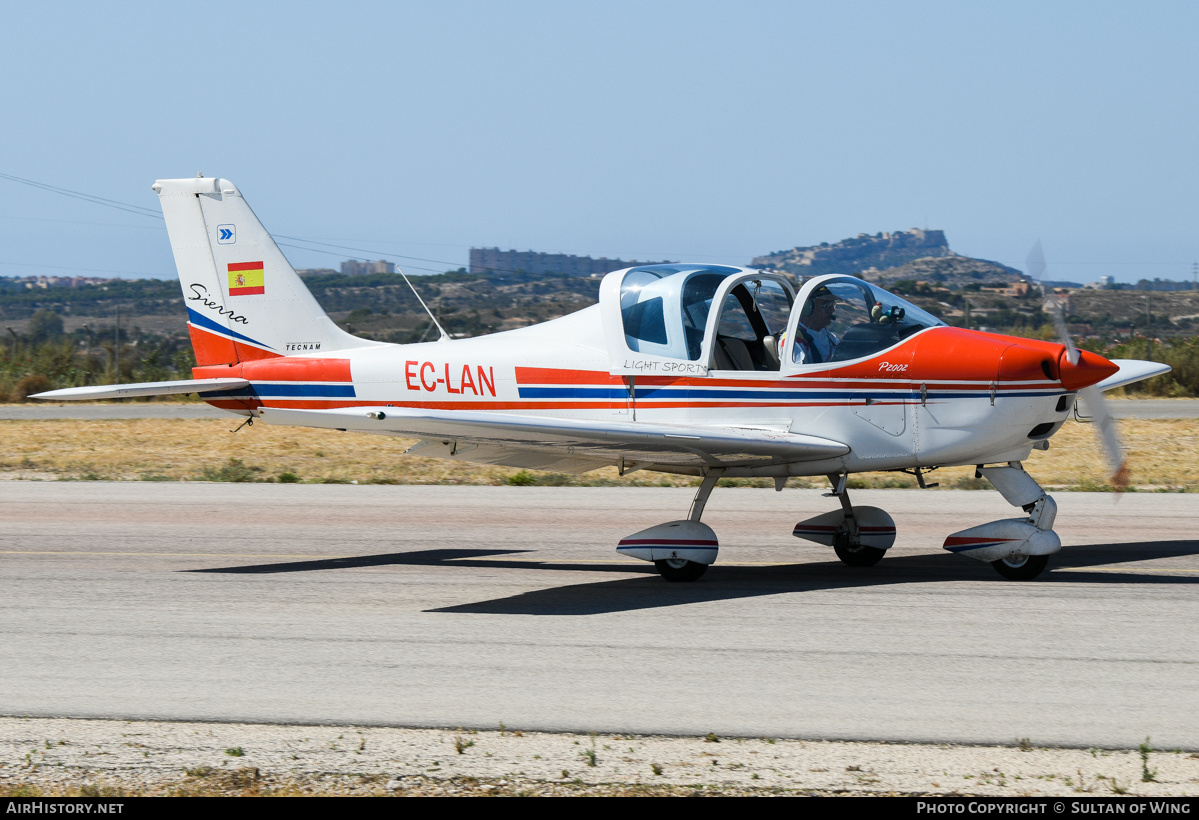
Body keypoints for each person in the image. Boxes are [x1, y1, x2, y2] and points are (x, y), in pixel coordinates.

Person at [792, 285, 840, 364]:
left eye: (833, 305)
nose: (832, 310)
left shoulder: (829, 336)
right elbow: (799, 374)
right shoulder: (794, 339)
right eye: (827, 305)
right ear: (808, 307)